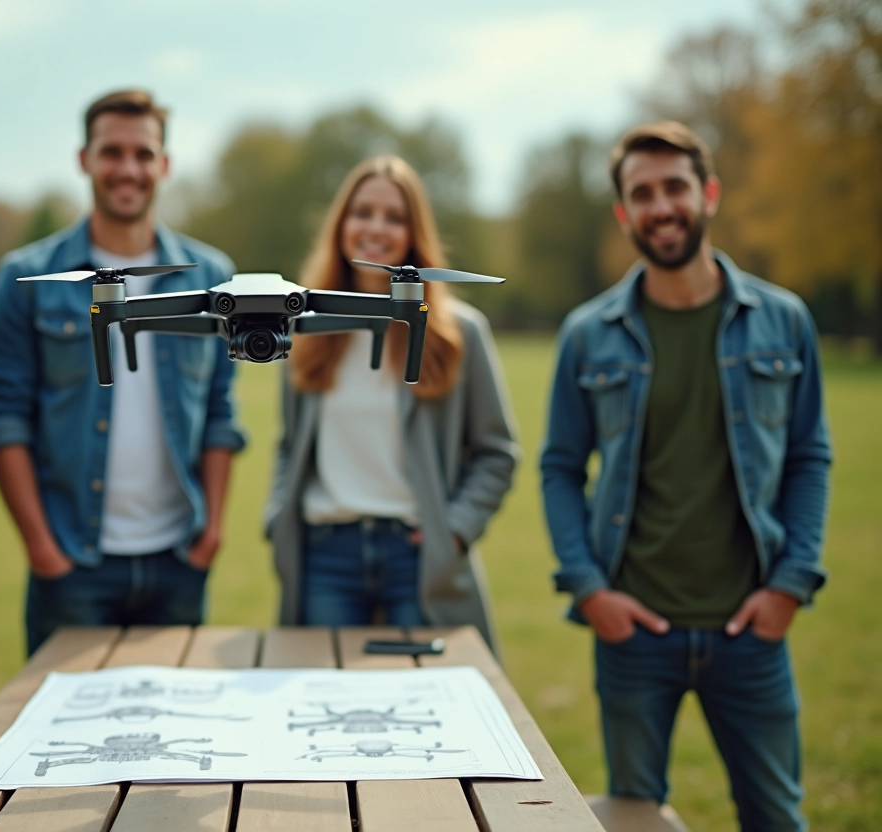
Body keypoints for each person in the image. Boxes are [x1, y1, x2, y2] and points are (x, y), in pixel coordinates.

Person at [540, 121, 831, 831]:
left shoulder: (784, 321)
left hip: (750, 632)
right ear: (624, 213)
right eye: (643, 193)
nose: (661, 206)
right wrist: (591, 589)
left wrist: (790, 586)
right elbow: (559, 468)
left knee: (777, 818)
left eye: (675, 187)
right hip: (634, 634)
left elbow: (809, 457)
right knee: (635, 819)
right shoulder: (589, 333)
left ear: (708, 193)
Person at [0, 89, 245, 655]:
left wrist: (211, 534)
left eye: (143, 154)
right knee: (64, 737)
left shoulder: (214, 276)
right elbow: (4, 422)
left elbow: (222, 412)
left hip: (178, 558)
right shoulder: (28, 277)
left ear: (164, 165)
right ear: (85, 159)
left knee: (176, 733)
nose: (128, 168)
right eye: (112, 152)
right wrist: (43, 550)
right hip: (73, 563)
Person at [264, 155, 519, 654]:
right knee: (321, 705)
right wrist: (277, 519)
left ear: (413, 234)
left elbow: (497, 452)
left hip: (417, 557)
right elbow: (288, 445)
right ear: (341, 225)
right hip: (325, 557)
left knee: (428, 711)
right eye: (363, 212)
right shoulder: (301, 331)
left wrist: (456, 532)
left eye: (395, 217)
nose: (376, 228)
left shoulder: (457, 335)